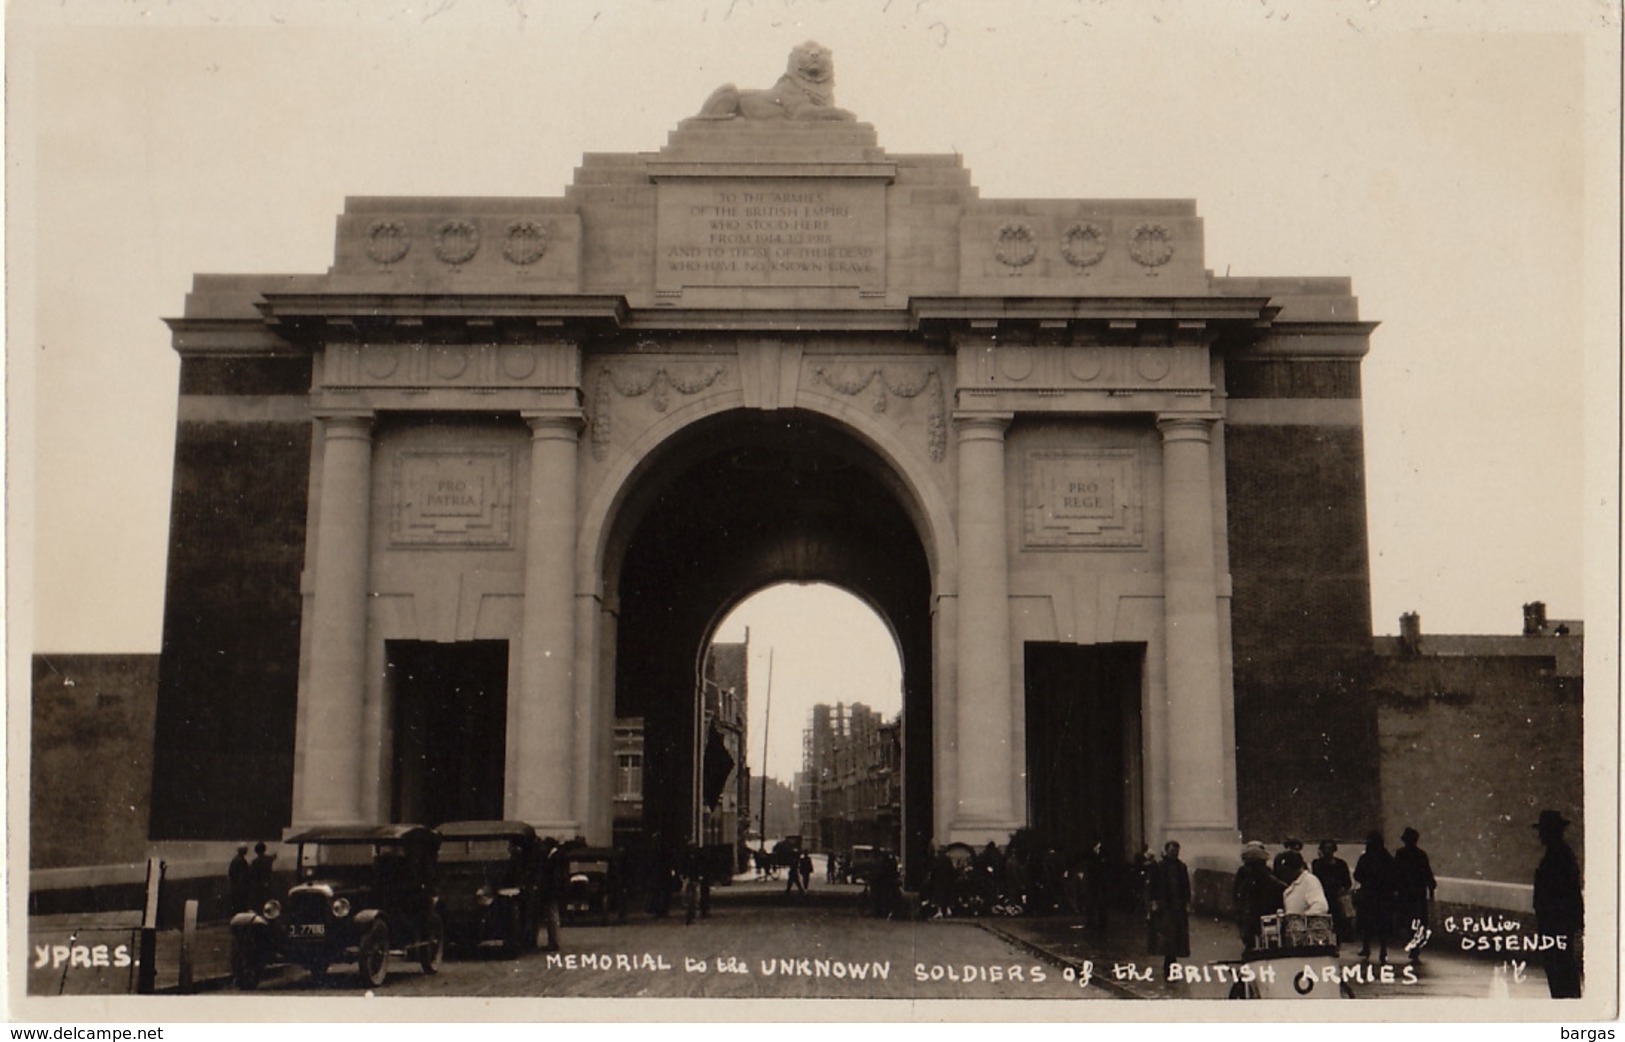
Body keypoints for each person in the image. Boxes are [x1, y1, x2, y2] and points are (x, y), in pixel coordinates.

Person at [1532, 809, 1583, 998]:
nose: (1540, 835)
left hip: (1555, 923)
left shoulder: (1557, 857)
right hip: (1559, 922)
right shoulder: (1562, 854)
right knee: (1562, 966)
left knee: (1558, 968)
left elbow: (1559, 891)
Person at [1146, 841, 1191, 980]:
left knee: (1174, 938)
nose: (1174, 853)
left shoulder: (1181, 867)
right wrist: (1153, 902)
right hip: (1165, 908)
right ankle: (1170, 967)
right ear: (1166, 851)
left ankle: (1171, 965)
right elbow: (1152, 886)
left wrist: (1186, 902)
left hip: (1177, 908)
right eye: (1172, 851)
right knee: (1169, 938)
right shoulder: (1159, 867)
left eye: (1176, 851)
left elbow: (1185, 886)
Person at [1392, 826, 1436, 962]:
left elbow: (1396, 872)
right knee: (1419, 920)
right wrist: (1431, 887)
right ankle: (1415, 948)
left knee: (1408, 920)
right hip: (1418, 893)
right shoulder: (1421, 855)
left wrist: (1394, 888)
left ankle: (1413, 945)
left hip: (1405, 893)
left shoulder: (1400, 854)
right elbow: (1427, 872)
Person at [1232, 840, 1284, 951]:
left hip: (1251, 909)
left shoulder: (1244, 872)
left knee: (1250, 939)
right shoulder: (1265, 873)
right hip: (1263, 908)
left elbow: (1237, 892)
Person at [1353, 831, 1395, 962]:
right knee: (1383, 923)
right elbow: (1394, 875)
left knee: (1366, 923)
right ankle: (1383, 950)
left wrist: (1367, 881)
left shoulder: (1365, 858)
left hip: (1368, 895)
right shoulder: (1387, 858)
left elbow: (1357, 875)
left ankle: (1366, 946)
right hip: (1384, 896)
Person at [1312, 839, 1355, 943]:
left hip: (1337, 896)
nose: (1328, 851)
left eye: (1330, 848)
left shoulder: (1341, 864)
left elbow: (1347, 882)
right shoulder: (1318, 864)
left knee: (1339, 920)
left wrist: (1342, 890)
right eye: (1325, 848)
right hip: (1323, 895)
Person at [248, 841, 277, 911]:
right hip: (268, 883)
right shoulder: (268, 859)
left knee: (259, 903)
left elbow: (251, 873)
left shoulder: (255, 862)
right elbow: (273, 856)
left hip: (258, 885)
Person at [228, 844, 251, 913]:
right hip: (240, 886)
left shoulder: (236, 860)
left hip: (237, 885)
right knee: (240, 903)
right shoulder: (240, 861)